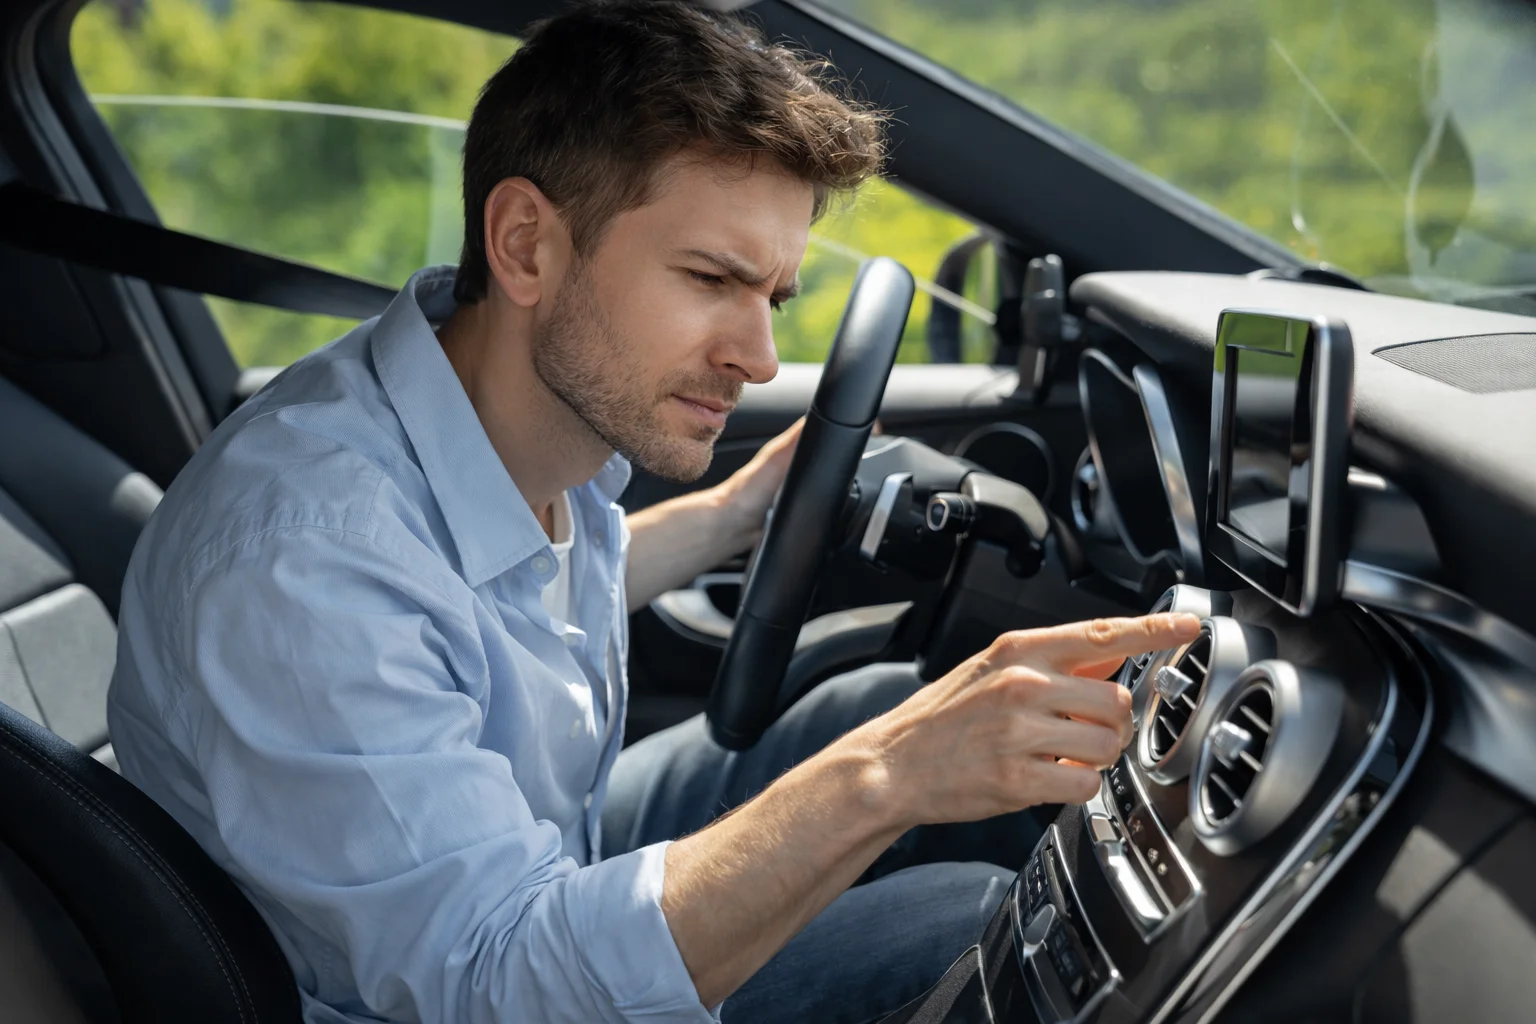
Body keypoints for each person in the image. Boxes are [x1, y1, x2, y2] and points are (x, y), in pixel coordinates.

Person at [107, 2, 1200, 1022]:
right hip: (471, 982)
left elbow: (495, 601)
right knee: (962, 907)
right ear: (527, 242)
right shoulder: (306, 562)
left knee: (873, 699)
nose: (758, 354)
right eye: (711, 278)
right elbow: (496, 979)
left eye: (770, 297)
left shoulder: (500, 415)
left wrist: (734, 512)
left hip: (539, 853)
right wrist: (887, 774)